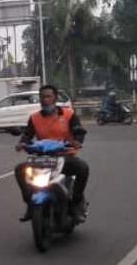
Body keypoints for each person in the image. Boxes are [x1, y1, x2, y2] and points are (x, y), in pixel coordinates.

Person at [13, 84, 89, 222]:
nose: (45, 99)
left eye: (48, 96)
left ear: (55, 98)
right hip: (43, 159)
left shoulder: (68, 114)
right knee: (19, 169)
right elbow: (27, 135)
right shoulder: (34, 118)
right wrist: (22, 143)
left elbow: (78, 130)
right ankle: (30, 202)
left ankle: (75, 203)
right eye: (42, 97)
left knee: (83, 168)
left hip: (64, 157)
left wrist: (78, 140)